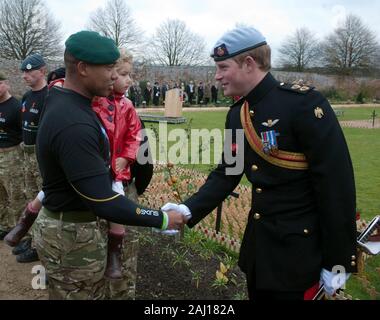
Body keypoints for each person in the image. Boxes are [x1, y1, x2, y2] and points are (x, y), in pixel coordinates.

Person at [164, 26, 358, 300]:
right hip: (260, 252)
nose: (217, 76)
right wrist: (187, 209)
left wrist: (338, 260)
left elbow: (336, 184)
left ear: (248, 63)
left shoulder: (304, 104)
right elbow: (227, 173)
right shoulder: (237, 114)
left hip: (300, 256)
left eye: (222, 67)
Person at [32, 30, 184, 300]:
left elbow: (133, 139)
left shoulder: (62, 99)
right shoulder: (75, 123)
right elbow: (102, 198)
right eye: (109, 68)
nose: (115, 76)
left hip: (68, 229)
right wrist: (161, 218)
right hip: (71, 239)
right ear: (83, 69)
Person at [16, 53, 48, 263]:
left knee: (43, 200)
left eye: (29, 70)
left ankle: (40, 246)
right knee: (30, 196)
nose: (25, 75)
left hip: (41, 155)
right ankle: (31, 237)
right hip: (26, 153)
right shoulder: (27, 97)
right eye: (23, 71)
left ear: (42, 71)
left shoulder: (49, 96)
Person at [0, 73, 25, 241]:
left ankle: (20, 232)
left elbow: (24, 134)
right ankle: (4, 225)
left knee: (16, 195)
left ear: (6, 84)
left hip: (12, 155)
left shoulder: (16, 107)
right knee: (1, 195)